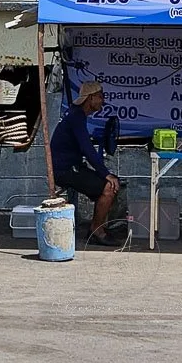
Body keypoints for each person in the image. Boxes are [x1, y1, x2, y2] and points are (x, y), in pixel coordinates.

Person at [50, 79, 122, 244]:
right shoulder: (76, 117)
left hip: (71, 166)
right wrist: (106, 174)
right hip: (65, 170)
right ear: (91, 98)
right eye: (100, 96)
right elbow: (87, 149)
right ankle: (97, 232)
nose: (102, 100)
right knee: (109, 187)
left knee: (107, 184)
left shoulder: (76, 115)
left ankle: (98, 226)